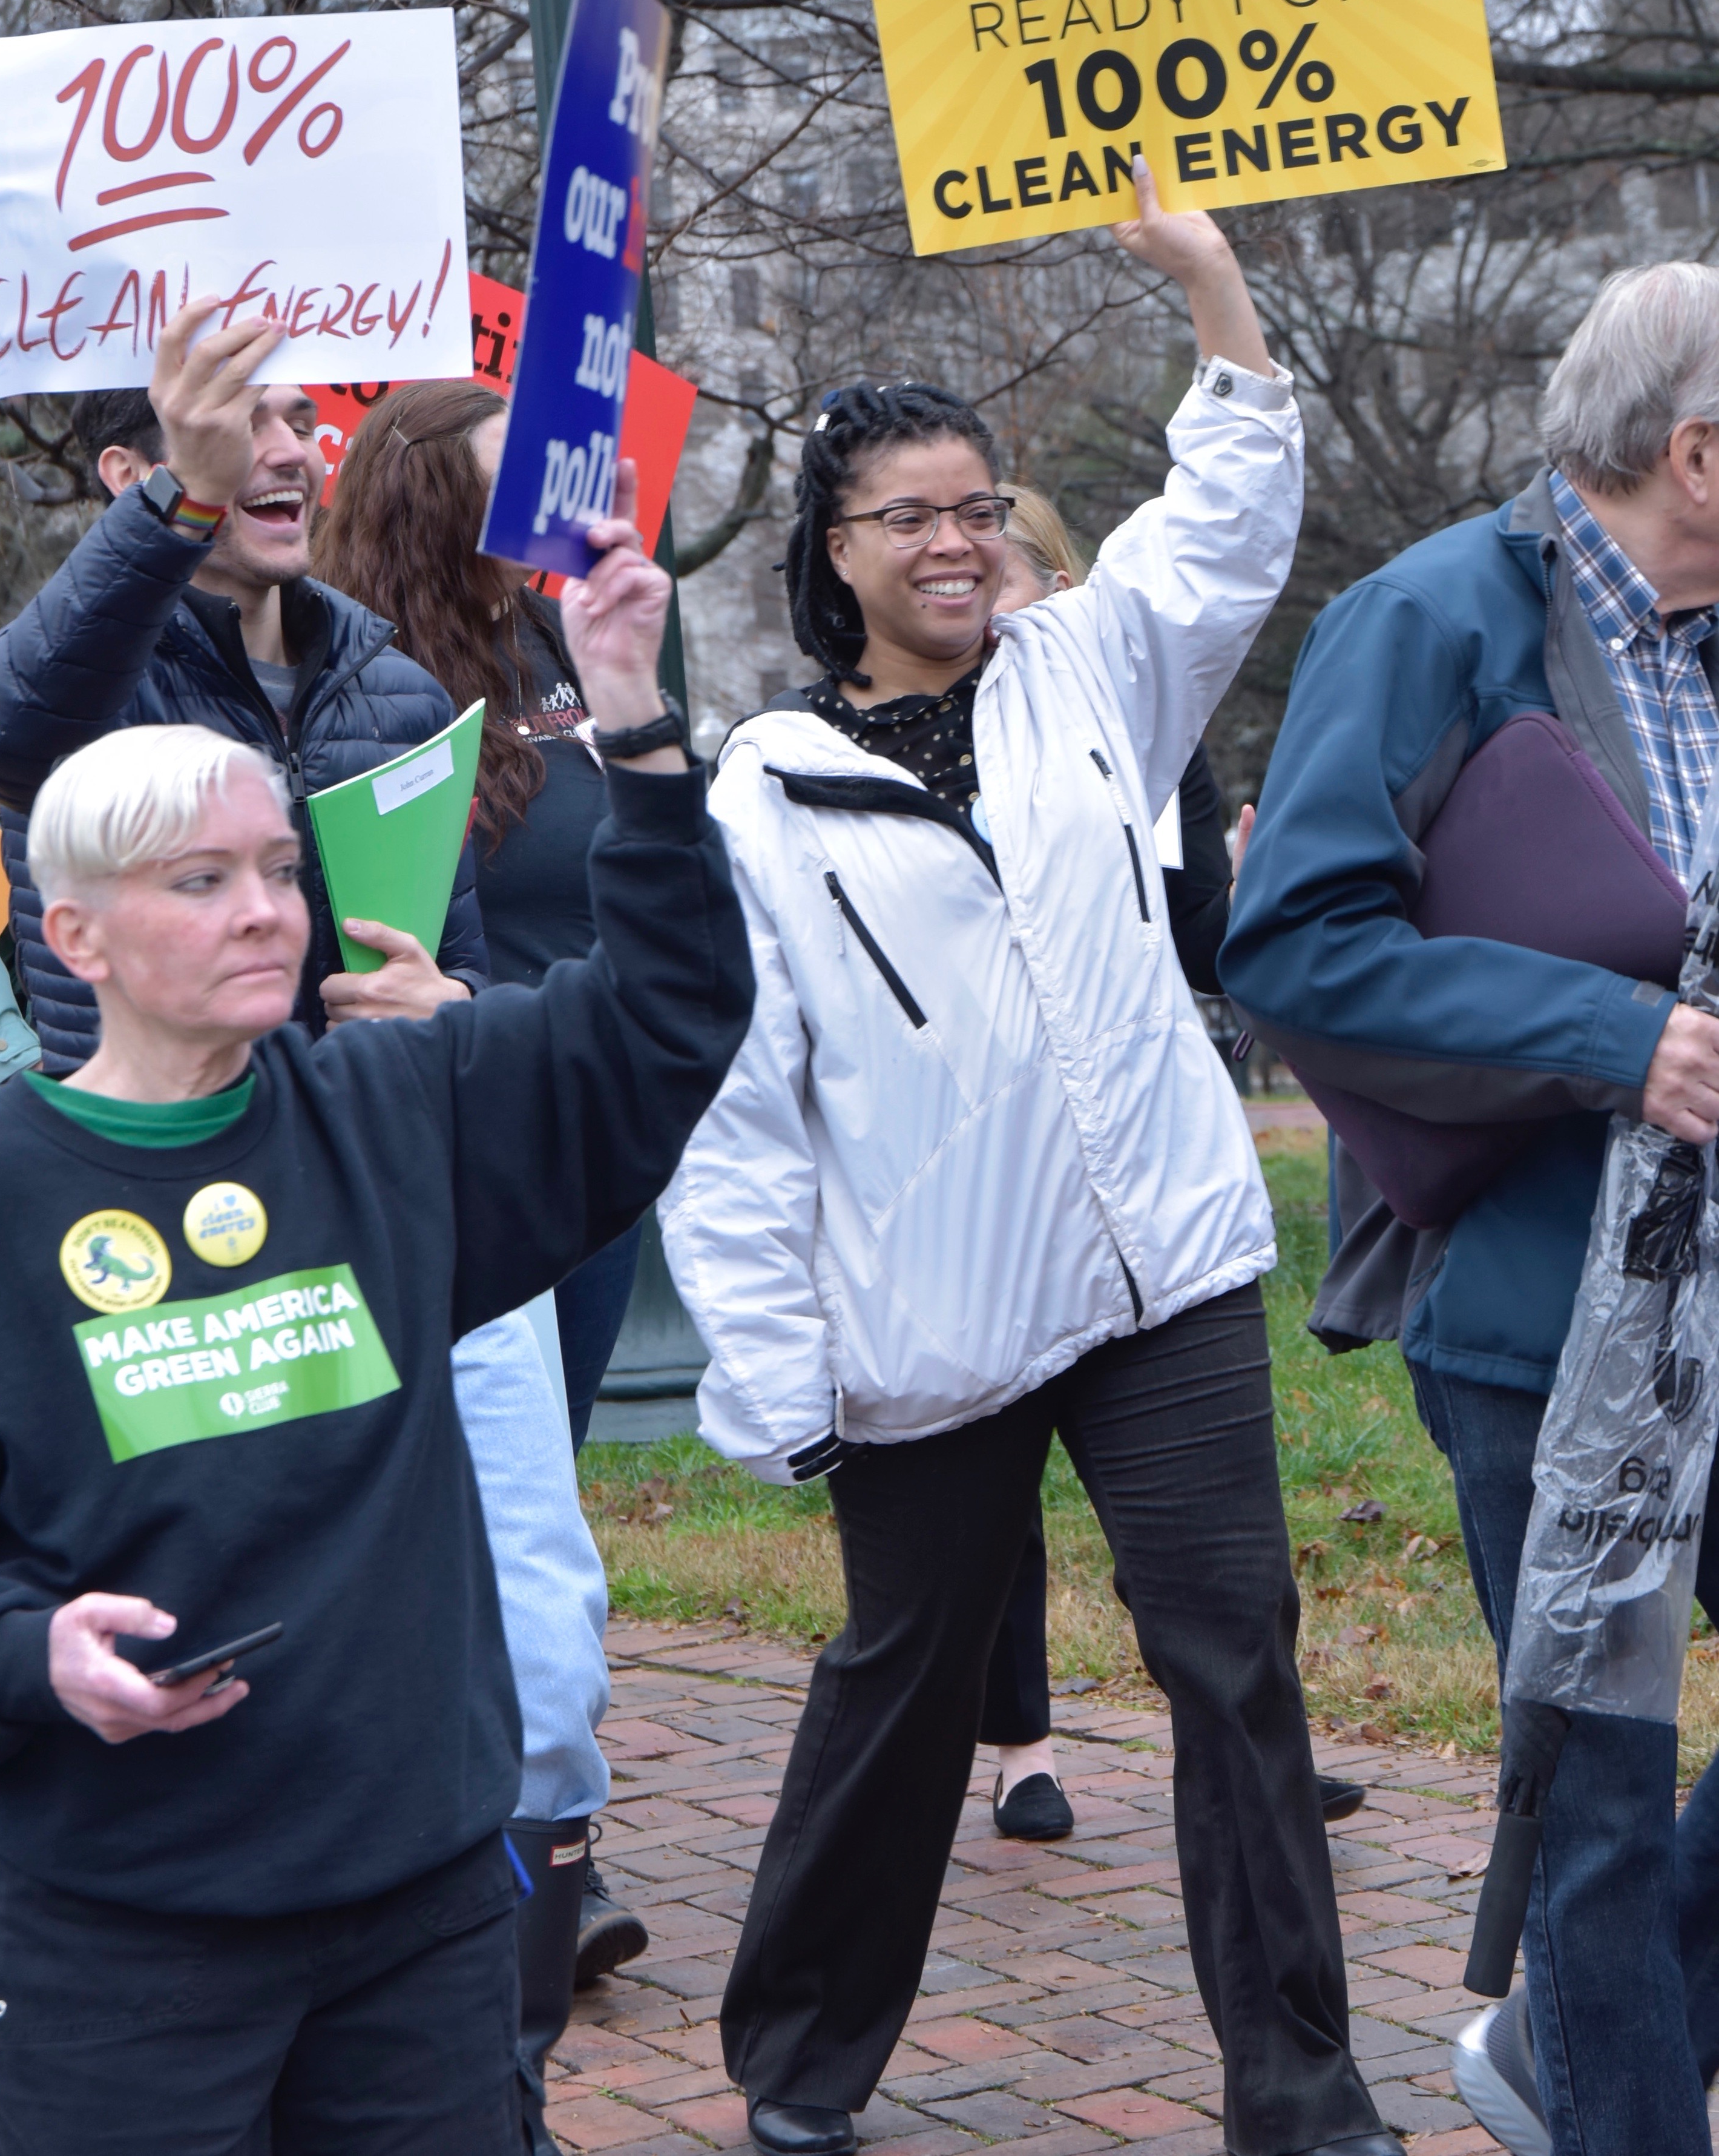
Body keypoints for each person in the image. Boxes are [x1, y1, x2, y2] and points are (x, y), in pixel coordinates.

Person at [660, 156, 1401, 2156]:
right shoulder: (768, 800)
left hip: (1160, 1273)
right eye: (912, 516)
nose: (962, 542)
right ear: (832, 557)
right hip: (935, 1324)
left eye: (980, 507)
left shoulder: (1095, 679)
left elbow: (1231, 524)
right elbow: (736, 1109)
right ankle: (801, 2066)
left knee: (1232, 1663)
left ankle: (1302, 2092)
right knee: (902, 1684)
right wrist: (771, 1364)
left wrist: (1213, 284)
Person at [0, 470, 754, 2155]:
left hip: (420, 1910)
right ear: (71, 930)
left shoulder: (396, 1104)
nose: (259, 909)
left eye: (274, 868)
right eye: (198, 880)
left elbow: (667, 1022)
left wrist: (638, 723)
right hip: (123, 1932)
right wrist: (28, 1653)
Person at [1221, 260, 1719, 2156]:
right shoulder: (1425, 616)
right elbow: (1290, 945)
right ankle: (1612, 2096)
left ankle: (1570, 2049)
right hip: (1537, 1315)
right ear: (1690, 450)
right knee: (1592, 1802)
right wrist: (1617, 1039)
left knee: (1607, 1855)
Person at [313, 377, 653, 1986]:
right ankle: (484, 1843)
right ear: (431, 496)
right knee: (437, 1495)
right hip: (425, 1138)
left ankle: (550, 1843)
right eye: (516, 475)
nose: (556, 497)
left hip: (570, 1133)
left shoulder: (569, 650)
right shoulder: (360, 678)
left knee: (541, 1495)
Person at [982, 489, 1362, 1842]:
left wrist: (1260, 898)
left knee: (1207, 1523)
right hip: (983, 1190)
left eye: (1016, 581)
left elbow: (1202, 929)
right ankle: (1019, 1744)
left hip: (1150, 1180)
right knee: (977, 1510)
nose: (990, 611)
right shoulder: (892, 740)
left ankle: (1253, 1735)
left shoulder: (1146, 722)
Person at [0, 298, 488, 1071]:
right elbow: (2, 737)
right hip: (152, 1176)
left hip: (364, 1158)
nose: (288, 453)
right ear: (132, 476)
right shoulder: (84, 693)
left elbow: (459, 956)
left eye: (302, 425)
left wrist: (454, 1005)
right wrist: (183, 503)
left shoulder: (403, 693)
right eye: (238, 423)